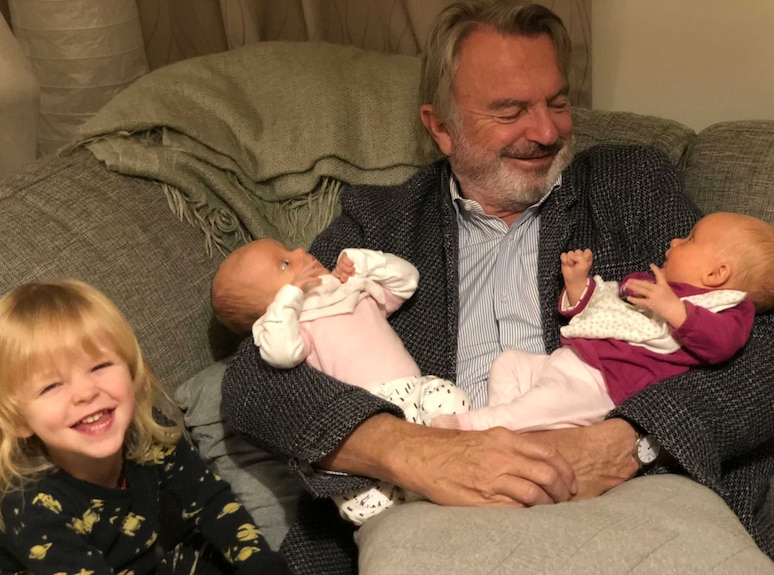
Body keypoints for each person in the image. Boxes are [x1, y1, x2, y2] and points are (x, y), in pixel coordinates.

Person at [220, 1, 774, 572]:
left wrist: (628, 442)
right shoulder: (381, 224)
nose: (547, 131)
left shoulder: (627, 184)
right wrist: (412, 451)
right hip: (433, 517)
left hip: (626, 497)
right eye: (510, 111)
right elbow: (252, 378)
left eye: (557, 102)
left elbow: (759, 345)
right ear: (440, 127)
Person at [0, 279, 289, 575]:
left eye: (100, 366)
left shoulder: (148, 432)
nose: (86, 393)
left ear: (131, 371)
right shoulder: (28, 506)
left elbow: (211, 502)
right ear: (17, 420)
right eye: (51, 387)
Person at [432, 211, 773, 432]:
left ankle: (472, 427)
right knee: (508, 362)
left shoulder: (725, 308)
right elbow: (605, 304)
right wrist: (578, 284)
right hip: (569, 361)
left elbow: (722, 344)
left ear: (717, 274)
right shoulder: (648, 284)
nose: (673, 241)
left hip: (604, 384)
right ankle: (509, 431)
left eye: (690, 239)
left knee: (539, 404)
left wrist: (675, 310)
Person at [211, 239, 470, 525]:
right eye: (285, 263)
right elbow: (282, 354)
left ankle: (450, 448)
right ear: (273, 307)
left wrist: (365, 262)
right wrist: (291, 297)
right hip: (363, 419)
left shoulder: (350, 289)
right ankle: (408, 497)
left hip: (414, 390)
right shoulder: (293, 326)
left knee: (447, 396)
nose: (300, 253)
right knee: (356, 500)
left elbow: (407, 281)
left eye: (290, 250)